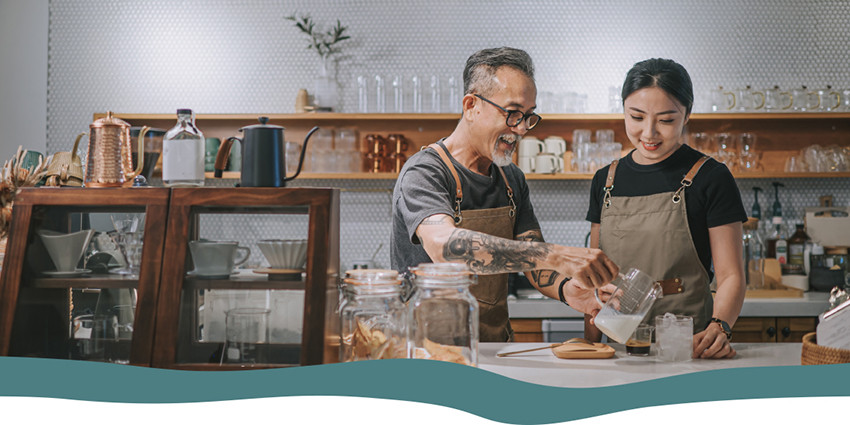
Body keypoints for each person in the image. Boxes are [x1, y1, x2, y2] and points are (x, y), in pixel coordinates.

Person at [391, 47, 619, 342]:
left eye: (528, 116)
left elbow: (533, 260)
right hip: (427, 350)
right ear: (471, 105)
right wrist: (558, 254)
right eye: (512, 114)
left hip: (493, 345)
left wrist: (569, 291)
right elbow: (444, 247)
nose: (522, 129)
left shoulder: (511, 178)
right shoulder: (425, 172)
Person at [585, 58, 747, 359]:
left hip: (687, 344)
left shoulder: (711, 177)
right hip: (615, 346)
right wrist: (592, 342)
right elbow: (595, 276)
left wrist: (720, 326)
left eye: (666, 120)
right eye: (636, 117)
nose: (649, 133)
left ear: (687, 115)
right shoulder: (605, 180)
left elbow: (730, 275)